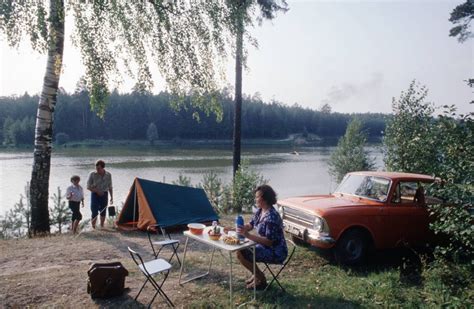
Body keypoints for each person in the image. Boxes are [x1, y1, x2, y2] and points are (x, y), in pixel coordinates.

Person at [235, 185, 288, 290]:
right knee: (242, 250)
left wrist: (248, 235)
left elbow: (269, 242)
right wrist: (238, 228)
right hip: (264, 246)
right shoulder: (260, 211)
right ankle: (257, 275)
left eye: (257, 197)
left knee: (242, 252)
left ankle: (261, 280)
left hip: (276, 251)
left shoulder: (271, 217)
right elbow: (250, 225)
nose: (255, 199)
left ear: (264, 199)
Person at [87, 160, 113, 229]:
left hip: (104, 194)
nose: (97, 170)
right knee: (94, 211)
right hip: (95, 194)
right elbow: (88, 187)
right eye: (96, 168)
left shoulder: (108, 175)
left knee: (103, 211)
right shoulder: (92, 174)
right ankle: (93, 227)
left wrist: (111, 197)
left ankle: (102, 226)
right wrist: (97, 191)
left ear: (103, 168)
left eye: (99, 168)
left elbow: (110, 186)